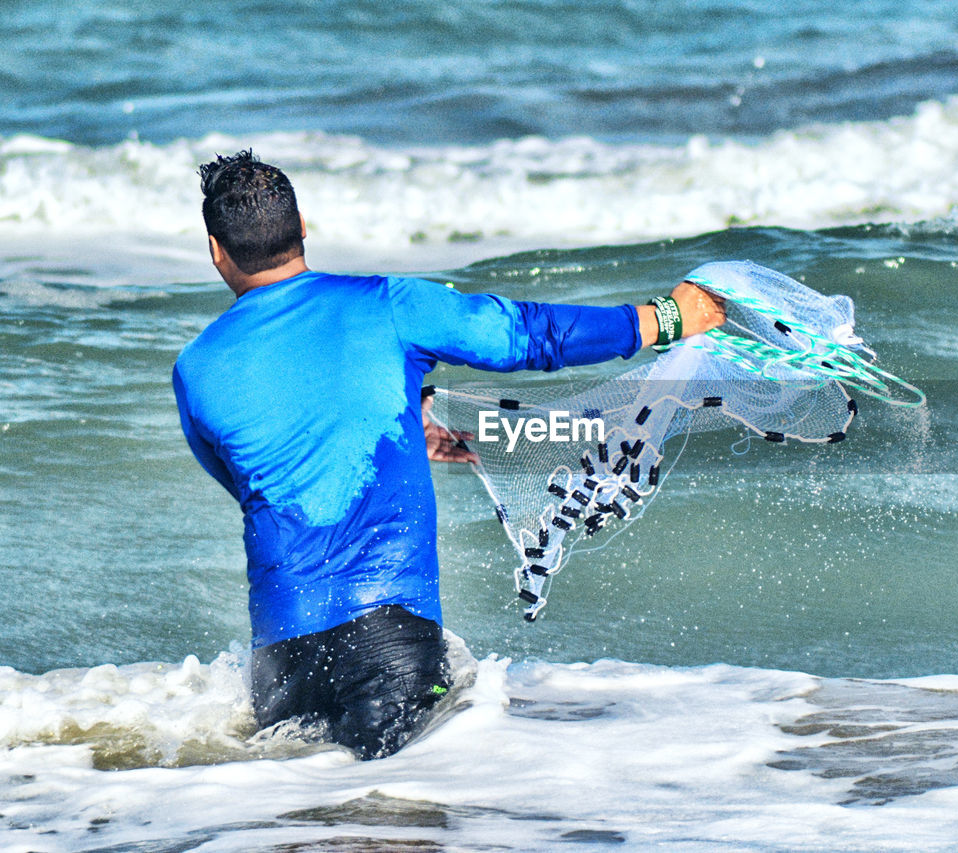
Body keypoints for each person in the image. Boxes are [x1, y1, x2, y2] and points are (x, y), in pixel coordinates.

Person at [172, 150, 725, 759]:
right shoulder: (388, 304)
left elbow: (257, 483)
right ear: (303, 227)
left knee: (306, 825)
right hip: (389, 641)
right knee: (399, 822)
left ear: (216, 250)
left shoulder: (195, 368)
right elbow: (528, 335)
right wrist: (666, 319)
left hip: (282, 660)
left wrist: (392, 427)